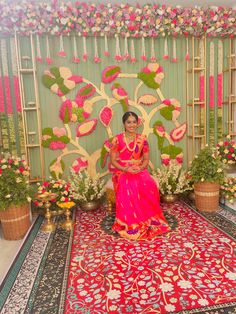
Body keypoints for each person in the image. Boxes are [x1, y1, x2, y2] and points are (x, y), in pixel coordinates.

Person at [110, 111, 170, 240]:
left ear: (137, 123)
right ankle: (130, 223)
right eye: (128, 122)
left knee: (149, 184)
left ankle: (147, 219)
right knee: (129, 185)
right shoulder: (117, 139)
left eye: (134, 122)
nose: (131, 125)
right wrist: (126, 169)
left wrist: (140, 168)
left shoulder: (143, 139)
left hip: (139, 169)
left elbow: (146, 160)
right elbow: (113, 161)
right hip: (122, 171)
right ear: (124, 124)